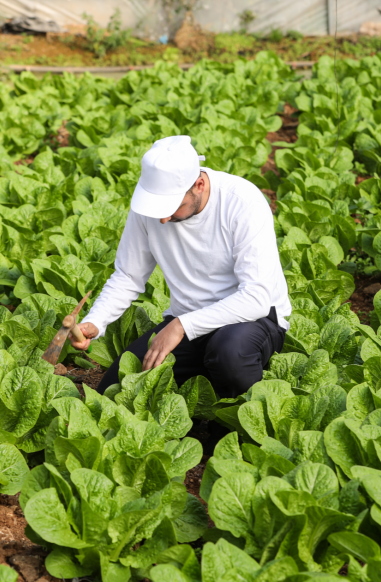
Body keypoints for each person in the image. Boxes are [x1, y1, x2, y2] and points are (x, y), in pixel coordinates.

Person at [70, 135, 291, 399]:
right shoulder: (149, 206)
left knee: (228, 354)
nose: (162, 218)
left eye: (173, 206)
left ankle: (235, 423)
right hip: (188, 320)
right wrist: (96, 321)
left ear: (198, 184)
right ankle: (204, 379)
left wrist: (180, 327)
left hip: (252, 321)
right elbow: (129, 275)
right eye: (157, 208)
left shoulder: (242, 202)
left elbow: (256, 298)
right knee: (116, 390)